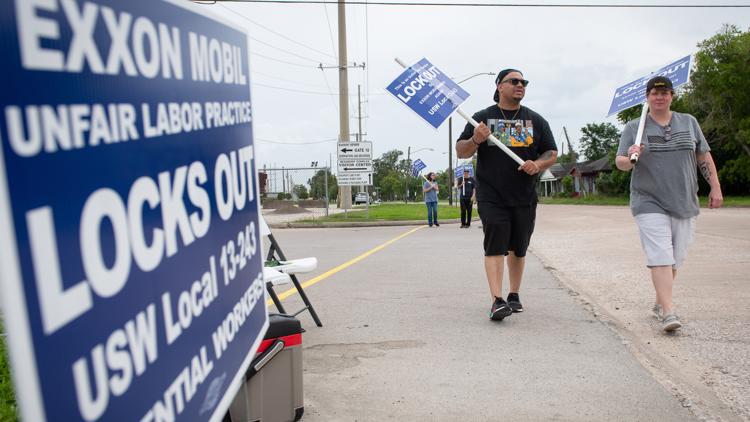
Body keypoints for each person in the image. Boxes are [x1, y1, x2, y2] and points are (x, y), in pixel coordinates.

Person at [615, 75, 723, 333]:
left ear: (672, 96)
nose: (659, 97)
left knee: (675, 258)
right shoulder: (635, 127)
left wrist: (715, 186)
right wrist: (631, 158)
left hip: (684, 199)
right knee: (660, 255)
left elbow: (703, 155)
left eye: (664, 93)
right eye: (654, 93)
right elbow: (619, 162)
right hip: (648, 199)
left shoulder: (688, 122)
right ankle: (668, 312)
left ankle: (660, 300)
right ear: (647, 97)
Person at [456, 68, 558, 321]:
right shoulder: (481, 118)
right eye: (514, 81)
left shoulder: (536, 120)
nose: (520, 85)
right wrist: (476, 140)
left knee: (519, 248)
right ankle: (497, 300)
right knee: (495, 243)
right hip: (492, 195)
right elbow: (461, 151)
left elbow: (551, 152)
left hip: (524, 195)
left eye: (523, 81)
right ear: (499, 86)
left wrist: (538, 164)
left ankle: (514, 294)